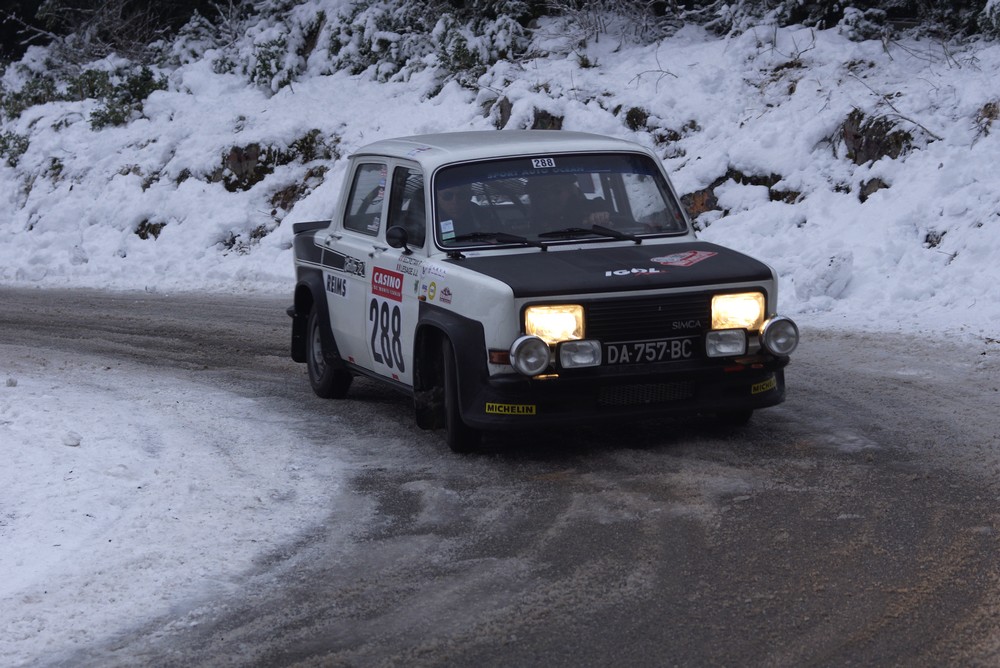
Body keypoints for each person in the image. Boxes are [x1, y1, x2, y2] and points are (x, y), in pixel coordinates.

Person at [528, 174, 610, 229]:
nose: (550, 198)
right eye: (542, 194)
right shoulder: (527, 225)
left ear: (570, 191)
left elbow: (619, 224)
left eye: (556, 191)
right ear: (535, 199)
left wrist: (601, 217)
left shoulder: (594, 208)